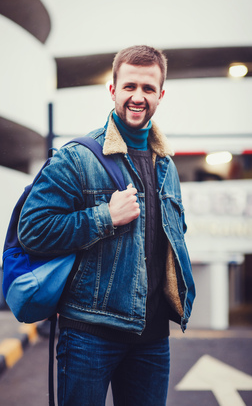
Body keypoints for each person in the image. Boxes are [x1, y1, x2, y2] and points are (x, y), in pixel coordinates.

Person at [18, 45, 195, 406]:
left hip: (152, 338)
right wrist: (105, 217)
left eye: (148, 89)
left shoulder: (167, 167)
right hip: (89, 335)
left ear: (160, 95)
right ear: (113, 90)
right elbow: (33, 229)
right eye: (129, 86)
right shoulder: (78, 157)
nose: (138, 96)